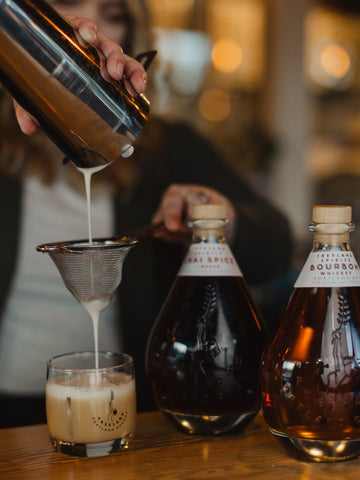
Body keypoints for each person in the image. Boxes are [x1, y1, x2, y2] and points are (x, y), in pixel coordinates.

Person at [0, 0, 293, 428]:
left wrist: (216, 217)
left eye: (113, 13)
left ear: (133, 46)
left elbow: (277, 243)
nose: (93, 26)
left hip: (133, 416)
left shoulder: (169, 148)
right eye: (67, 4)